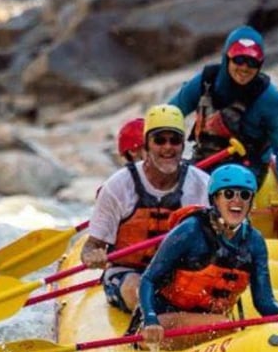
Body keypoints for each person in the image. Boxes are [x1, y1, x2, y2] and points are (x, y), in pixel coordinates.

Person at [137, 164, 278, 349]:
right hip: (164, 323)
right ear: (215, 199)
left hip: (212, 325)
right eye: (228, 194)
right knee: (223, 325)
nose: (237, 201)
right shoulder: (190, 231)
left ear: (251, 202)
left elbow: (264, 303)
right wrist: (150, 319)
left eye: (244, 195)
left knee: (222, 325)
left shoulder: (255, 242)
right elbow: (148, 279)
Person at [81, 104, 211, 314]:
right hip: (128, 273)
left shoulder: (203, 185)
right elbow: (91, 246)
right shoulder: (118, 187)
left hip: (179, 273)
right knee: (140, 291)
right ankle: (154, 323)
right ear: (146, 146)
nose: (167, 147)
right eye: (159, 140)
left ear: (182, 146)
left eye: (175, 140)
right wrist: (91, 256)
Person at [168, 25, 278, 203]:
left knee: (221, 195)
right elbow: (170, 115)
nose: (244, 67)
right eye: (239, 59)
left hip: (246, 167)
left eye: (253, 62)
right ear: (227, 57)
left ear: (261, 64)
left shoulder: (271, 99)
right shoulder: (205, 82)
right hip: (203, 158)